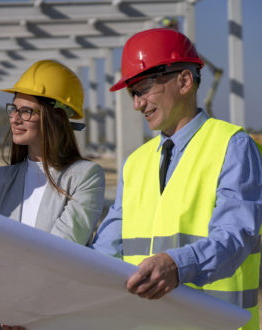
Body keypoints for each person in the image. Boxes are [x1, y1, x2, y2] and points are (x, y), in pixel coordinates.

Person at [92, 28, 262, 330]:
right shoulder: (135, 163)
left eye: (143, 89)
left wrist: (177, 266)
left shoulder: (232, 146)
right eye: (134, 93)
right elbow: (106, 248)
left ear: (184, 81)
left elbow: (236, 238)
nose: (137, 104)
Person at [0, 60, 106, 330]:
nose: (14, 118)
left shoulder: (85, 176)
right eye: (13, 108)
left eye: (26, 111)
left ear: (54, 117)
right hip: (1, 316)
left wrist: (24, 307)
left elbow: (63, 248)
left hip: (54, 316)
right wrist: (6, 307)